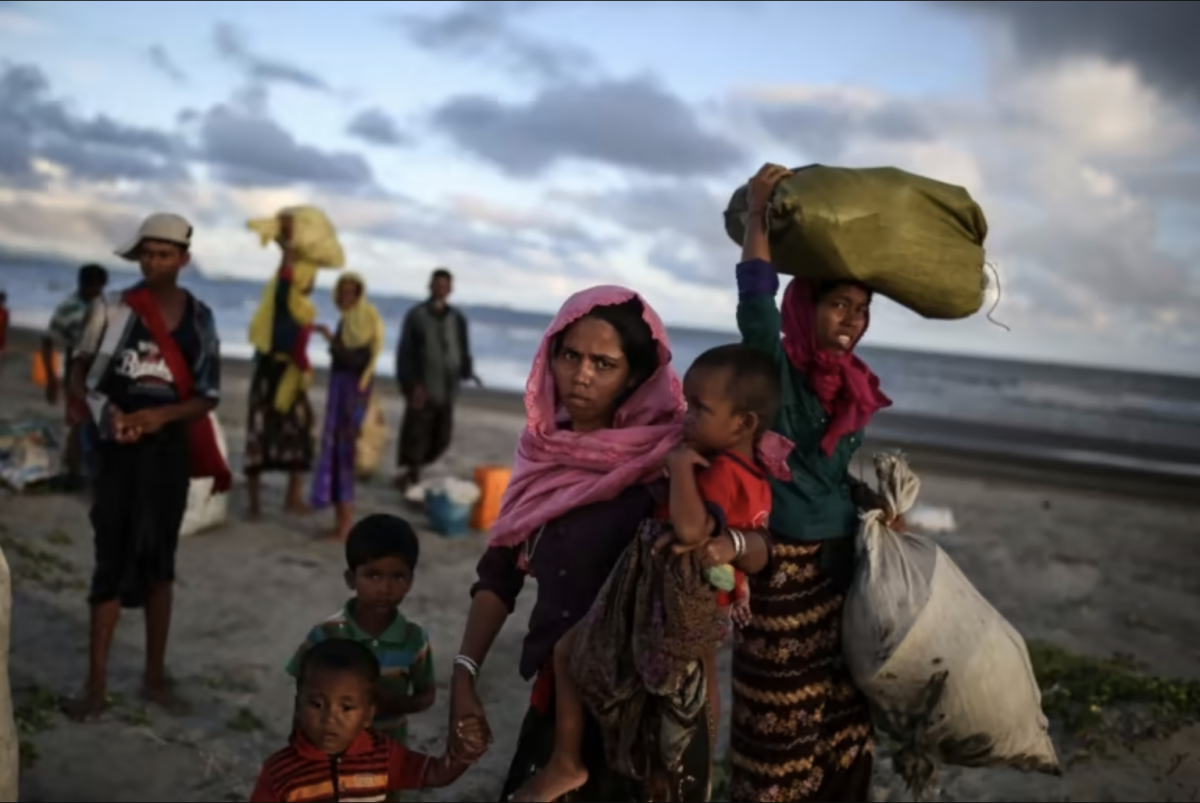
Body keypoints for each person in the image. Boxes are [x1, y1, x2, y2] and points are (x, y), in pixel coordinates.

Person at [446, 286, 772, 802]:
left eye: (604, 363)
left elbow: (752, 555)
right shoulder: (541, 458)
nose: (581, 375)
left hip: (649, 724)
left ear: (635, 376)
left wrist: (691, 756)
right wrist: (464, 676)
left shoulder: (672, 463)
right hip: (560, 713)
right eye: (570, 355)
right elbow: (498, 574)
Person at [513, 342, 787, 803]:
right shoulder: (757, 473)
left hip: (673, 599)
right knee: (696, 689)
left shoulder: (720, 471)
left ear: (742, 424)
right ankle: (692, 772)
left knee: (567, 654)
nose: (687, 417)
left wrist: (679, 468)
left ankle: (566, 761)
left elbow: (692, 529)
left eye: (700, 408)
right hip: (708, 606)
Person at [729, 163, 903, 802]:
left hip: (843, 573)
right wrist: (756, 215)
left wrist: (874, 506)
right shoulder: (776, 368)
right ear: (809, 307)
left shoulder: (851, 382)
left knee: (844, 722)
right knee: (780, 727)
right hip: (782, 575)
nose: (852, 319)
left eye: (861, 309)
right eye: (838, 305)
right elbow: (754, 297)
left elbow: (830, 475)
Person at [63, 213, 229, 720]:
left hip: (167, 456)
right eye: (148, 253)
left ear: (184, 259)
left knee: (160, 561)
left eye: (165, 254)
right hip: (116, 454)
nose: (155, 262)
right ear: (138, 257)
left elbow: (208, 396)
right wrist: (108, 414)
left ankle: (153, 677)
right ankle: (95, 684)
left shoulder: (200, 318)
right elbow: (80, 375)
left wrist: (160, 416)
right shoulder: (112, 310)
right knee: (109, 559)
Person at [253, 638, 487, 803]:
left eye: (346, 707)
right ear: (297, 705)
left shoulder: (382, 757)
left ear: (367, 715)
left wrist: (465, 749)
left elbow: (437, 773)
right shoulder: (279, 773)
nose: (330, 718)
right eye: (316, 704)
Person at [286, 514, 435, 748]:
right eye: (373, 575)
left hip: (387, 753)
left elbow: (426, 695)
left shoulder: (414, 640)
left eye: (398, 576)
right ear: (351, 579)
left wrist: (397, 704)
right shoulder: (326, 634)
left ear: (411, 580)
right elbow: (302, 693)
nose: (385, 588)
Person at [245, 212, 317, 517]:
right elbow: (285, 274)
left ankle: (292, 498)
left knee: (300, 432)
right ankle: (254, 504)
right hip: (270, 372)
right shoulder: (283, 296)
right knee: (260, 433)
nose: (312, 282)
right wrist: (287, 244)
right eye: (308, 277)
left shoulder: (302, 307)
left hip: (290, 375)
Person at [310, 273, 384, 541]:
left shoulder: (363, 319)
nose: (345, 297)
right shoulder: (348, 320)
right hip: (340, 393)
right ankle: (340, 522)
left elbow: (355, 360)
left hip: (351, 396)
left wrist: (331, 340)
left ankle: (344, 526)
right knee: (336, 453)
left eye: (351, 292)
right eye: (342, 292)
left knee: (344, 455)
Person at [393, 268, 479, 493]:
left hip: (448, 388)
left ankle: (412, 472)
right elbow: (405, 352)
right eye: (437, 284)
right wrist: (410, 385)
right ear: (430, 286)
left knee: (442, 438)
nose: (441, 289)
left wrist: (467, 369)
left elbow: (463, 349)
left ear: (450, 289)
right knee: (416, 435)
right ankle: (411, 476)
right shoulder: (417, 316)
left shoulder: (457, 318)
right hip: (423, 387)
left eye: (445, 285)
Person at [44, 263, 109, 485]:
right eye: (91, 287)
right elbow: (48, 342)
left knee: (98, 421)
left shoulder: (108, 308)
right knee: (76, 420)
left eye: (98, 288)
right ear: (82, 284)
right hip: (77, 371)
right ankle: (73, 471)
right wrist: (51, 378)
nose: (95, 292)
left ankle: (89, 468)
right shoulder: (69, 308)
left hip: (102, 372)